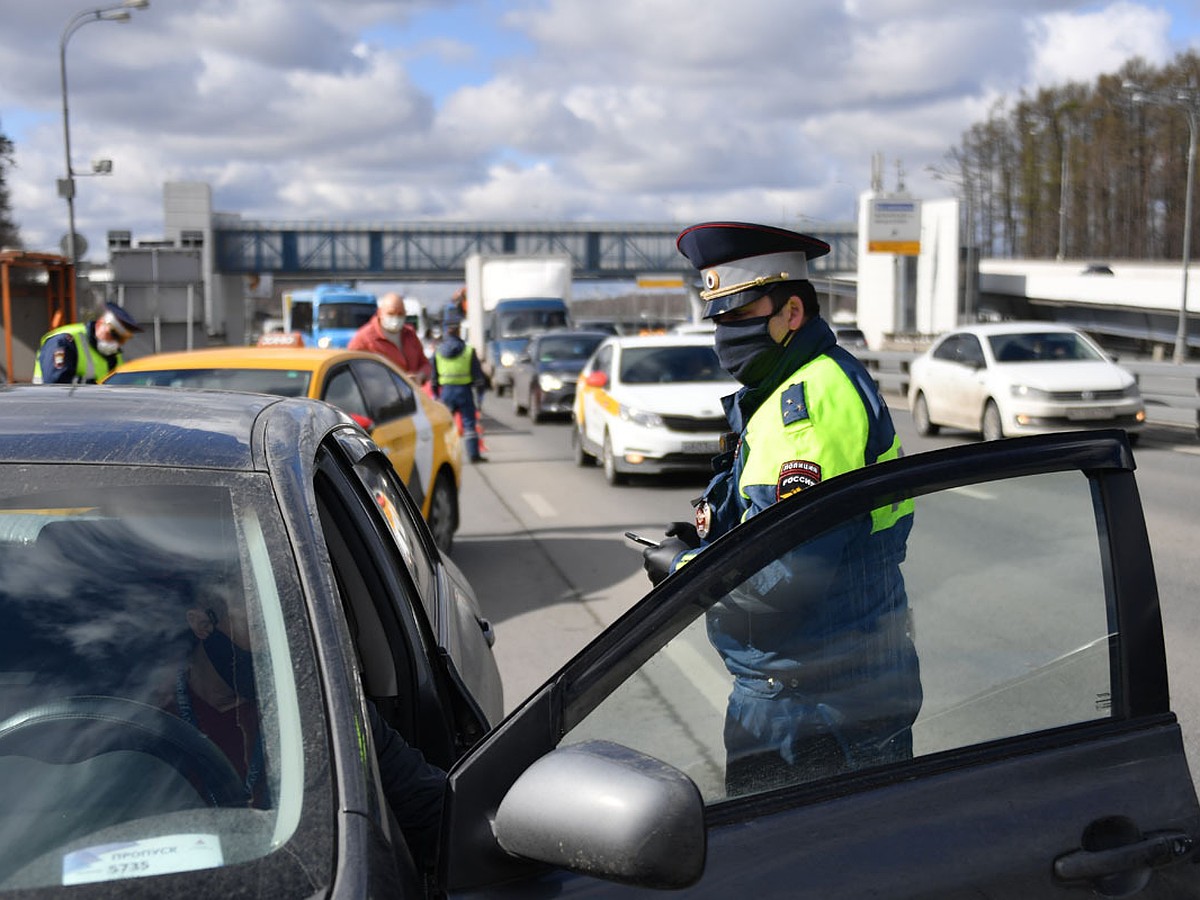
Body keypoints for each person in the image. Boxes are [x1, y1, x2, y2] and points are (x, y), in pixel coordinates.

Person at [641, 221, 921, 796]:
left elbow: (787, 577)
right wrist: (703, 541)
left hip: (815, 701)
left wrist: (681, 571)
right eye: (717, 316)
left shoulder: (809, 403)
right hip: (825, 683)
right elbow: (763, 528)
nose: (725, 332)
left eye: (740, 314)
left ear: (792, 312)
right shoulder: (786, 385)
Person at [169, 593, 447, 865]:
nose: (275, 642)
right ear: (203, 624)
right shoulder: (147, 717)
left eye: (285, 619)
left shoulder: (324, 707)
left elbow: (424, 804)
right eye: (259, 625)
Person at [32, 301, 142, 384]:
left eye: (122, 339)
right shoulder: (65, 341)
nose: (116, 342)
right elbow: (57, 383)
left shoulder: (114, 356)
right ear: (100, 324)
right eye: (113, 334)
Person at [431, 307, 487, 463]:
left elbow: (433, 377)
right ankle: (474, 455)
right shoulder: (468, 351)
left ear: (446, 330)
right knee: (469, 425)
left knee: (446, 427)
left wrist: (436, 395)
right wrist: (480, 399)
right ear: (459, 330)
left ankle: (444, 458)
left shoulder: (438, 351)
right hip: (464, 392)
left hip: (446, 393)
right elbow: (479, 378)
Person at [348, 292, 432, 384]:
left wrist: (420, 376)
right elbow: (352, 370)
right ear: (380, 313)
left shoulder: (410, 334)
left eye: (400, 314)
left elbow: (425, 364)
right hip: (379, 395)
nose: (396, 318)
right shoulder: (364, 338)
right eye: (391, 314)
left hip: (411, 394)